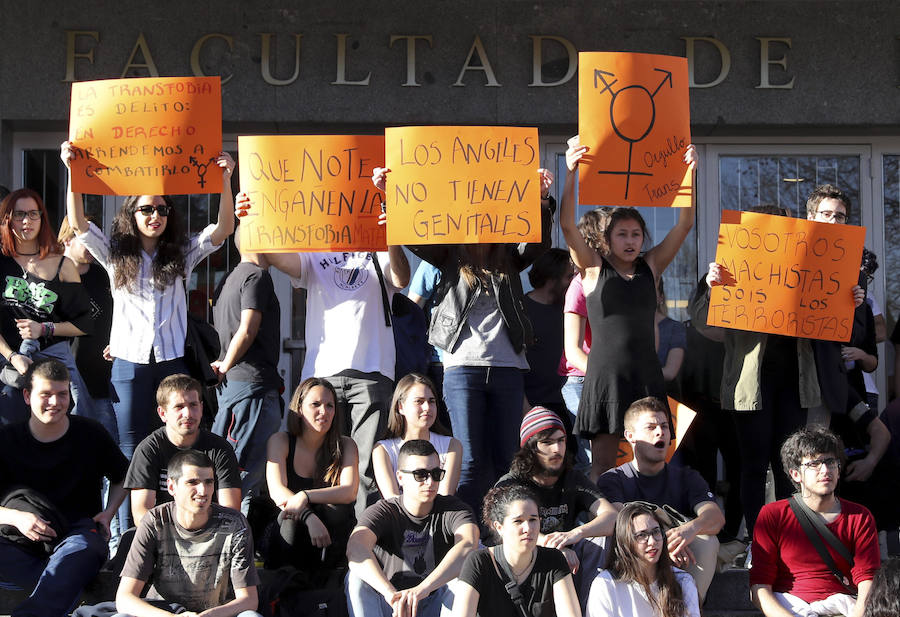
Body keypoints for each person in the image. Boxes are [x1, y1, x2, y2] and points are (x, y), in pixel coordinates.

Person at [62, 141, 236, 529]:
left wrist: (225, 178)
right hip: (129, 364)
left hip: (173, 362)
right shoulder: (114, 253)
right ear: (132, 214)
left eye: (161, 209)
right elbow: (77, 224)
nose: (154, 215)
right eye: (146, 209)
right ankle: (126, 538)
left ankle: (174, 533)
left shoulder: (181, 252)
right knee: (129, 454)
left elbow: (223, 230)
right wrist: (72, 170)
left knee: (176, 448)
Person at [373, 166, 555, 514]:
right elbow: (416, 234)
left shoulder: (510, 258)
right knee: (469, 460)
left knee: (507, 459)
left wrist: (541, 200)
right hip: (461, 366)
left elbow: (538, 243)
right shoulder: (450, 256)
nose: (483, 222)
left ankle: (506, 531)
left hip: (507, 366)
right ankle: (465, 529)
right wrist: (390, 195)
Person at [689, 202, 864, 537]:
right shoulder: (733, 265)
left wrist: (849, 301)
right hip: (750, 384)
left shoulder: (809, 266)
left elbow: (841, 327)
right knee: (753, 464)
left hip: (794, 384)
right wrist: (712, 286)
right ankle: (759, 541)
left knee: (790, 465)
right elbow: (699, 319)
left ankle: (790, 539)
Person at [236, 190, 409, 516]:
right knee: (321, 462)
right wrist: (247, 216)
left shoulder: (378, 247)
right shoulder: (315, 250)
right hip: (322, 374)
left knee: (366, 469)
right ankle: (322, 541)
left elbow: (401, 278)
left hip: (371, 373)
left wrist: (392, 237)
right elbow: (267, 253)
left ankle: (361, 543)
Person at [560, 137, 698, 480]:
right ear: (608, 240)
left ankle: (646, 525)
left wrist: (689, 175)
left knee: (653, 463)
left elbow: (684, 224)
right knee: (603, 466)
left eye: (637, 234)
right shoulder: (592, 270)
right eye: (622, 234)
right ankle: (605, 530)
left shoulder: (651, 267)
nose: (631, 241)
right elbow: (566, 225)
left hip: (646, 376)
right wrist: (570, 172)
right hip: (605, 378)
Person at [0, 359, 127, 617]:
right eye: (46, 394)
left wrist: (108, 512)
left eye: (62, 394)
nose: (55, 403)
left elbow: (123, 476)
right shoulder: (6, 439)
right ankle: (68, 587)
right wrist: (15, 517)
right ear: (27, 395)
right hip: (17, 540)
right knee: (66, 571)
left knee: (83, 551)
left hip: (76, 535)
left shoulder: (90, 433)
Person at [596, 397, 724, 601]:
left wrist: (689, 529)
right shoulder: (613, 479)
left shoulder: (687, 477)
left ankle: (689, 609)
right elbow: (620, 524)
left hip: (678, 554)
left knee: (708, 541)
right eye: (651, 427)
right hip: (635, 557)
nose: (660, 432)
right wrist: (662, 542)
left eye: (664, 426)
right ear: (630, 436)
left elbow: (715, 518)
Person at [750, 426, 880, 617]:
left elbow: (867, 581)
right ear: (795, 474)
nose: (825, 470)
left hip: (843, 608)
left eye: (830, 462)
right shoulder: (772, 515)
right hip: (788, 608)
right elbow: (759, 587)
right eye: (814, 464)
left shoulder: (860, 516)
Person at [495, 406, 617, 608]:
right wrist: (553, 546)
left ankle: (591, 609)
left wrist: (575, 534)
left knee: (603, 539)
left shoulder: (573, 478)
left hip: (569, 560)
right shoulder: (512, 483)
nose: (557, 449)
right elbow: (498, 530)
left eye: (561, 441)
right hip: (526, 557)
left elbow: (612, 517)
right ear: (530, 448)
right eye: (547, 442)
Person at [114, 449, 261, 617]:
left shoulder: (235, 523)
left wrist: (208, 616)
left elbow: (249, 600)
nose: (203, 491)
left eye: (209, 482)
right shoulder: (155, 521)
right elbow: (124, 598)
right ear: (171, 486)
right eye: (193, 482)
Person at [345, 439, 479, 617]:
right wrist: (389, 593)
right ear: (400, 477)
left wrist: (422, 589)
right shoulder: (384, 510)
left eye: (436, 473)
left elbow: (468, 544)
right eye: (420, 475)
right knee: (355, 578)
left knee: (463, 578)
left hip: (433, 600)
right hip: (390, 604)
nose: (430, 482)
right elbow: (355, 548)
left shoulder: (454, 508)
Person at [0, 188, 94, 425]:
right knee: (12, 436)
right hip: (10, 368)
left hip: (54, 368)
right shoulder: (1, 263)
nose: (26, 221)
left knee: (59, 435)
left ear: (43, 218)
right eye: (19, 214)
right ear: (7, 219)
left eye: (33, 214)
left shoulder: (63, 265)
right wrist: (12, 357)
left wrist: (45, 329)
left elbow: (84, 323)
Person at [210, 223, 283, 515]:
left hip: (238, 388)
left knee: (238, 474)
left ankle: (241, 543)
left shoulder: (229, 279)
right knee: (238, 473)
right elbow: (247, 328)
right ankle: (227, 542)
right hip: (250, 389)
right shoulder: (256, 276)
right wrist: (226, 365)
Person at [263, 377, 359, 574]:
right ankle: (284, 590)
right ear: (299, 408)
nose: (324, 412)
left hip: (330, 539)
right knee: (290, 518)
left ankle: (333, 581)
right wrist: (308, 516)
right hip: (287, 536)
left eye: (330, 406)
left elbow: (349, 491)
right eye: (315, 404)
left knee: (336, 511)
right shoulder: (280, 441)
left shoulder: (347, 445)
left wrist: (305, 496)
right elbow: (277, 492)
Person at [125, 374, 242, 525]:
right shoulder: (148, 450)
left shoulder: (220, 449)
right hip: (163, 535)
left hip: (211, 535)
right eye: (179, 407)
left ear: (201, 408)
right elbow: (141, 514)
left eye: (193, 405)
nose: (188, 414)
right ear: (162, 413)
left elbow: (230, 510)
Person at [451, 483, 581, 617]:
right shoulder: (478, 562)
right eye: (518, 521)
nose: (528, 528)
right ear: (499, 527)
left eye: (533, 520)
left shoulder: (554, 560)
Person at [560, 208, 611, 473]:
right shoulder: (580, 286)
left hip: (613, 382)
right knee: (593, 461)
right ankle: (590, 515)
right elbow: (574, 352)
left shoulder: (624, 282)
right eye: (613, 232)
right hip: (584, 381)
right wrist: (609, 379)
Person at [57, 217, 116, 440]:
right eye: (86, 240)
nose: (93, 247)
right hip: (63, 383)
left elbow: (115, 318)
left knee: (104, 446)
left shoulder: (103, 277)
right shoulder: (50, 274)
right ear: (67, 240)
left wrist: (117, 342)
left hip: (102, 380)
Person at [585, 503, 700, 617]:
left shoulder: (683, 581)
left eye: (656, 532)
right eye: (641, 535)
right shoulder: (606, 584)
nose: (652, 541)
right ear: (625, 542)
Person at [372, 372, 462, 498]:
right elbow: (392, 500)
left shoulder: (452, 446)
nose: (427, 407)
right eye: (419, 401)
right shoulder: (382, 450)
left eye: (431, 401)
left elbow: (444, 497)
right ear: (400, 407)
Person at [522, 248, 575, 415]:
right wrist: (525, 408)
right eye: (569, 277)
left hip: (569, 403)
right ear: (552, 279)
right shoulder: (521, 311)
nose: (574, 282)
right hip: (533, 406)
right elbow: (513, 366)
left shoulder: (572, 311)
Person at [654, 278, 686, 399]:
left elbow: (670, 372)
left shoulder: (675, 328)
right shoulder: (628, 327)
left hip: (665, 397)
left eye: (651, 291)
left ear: (661, 297)